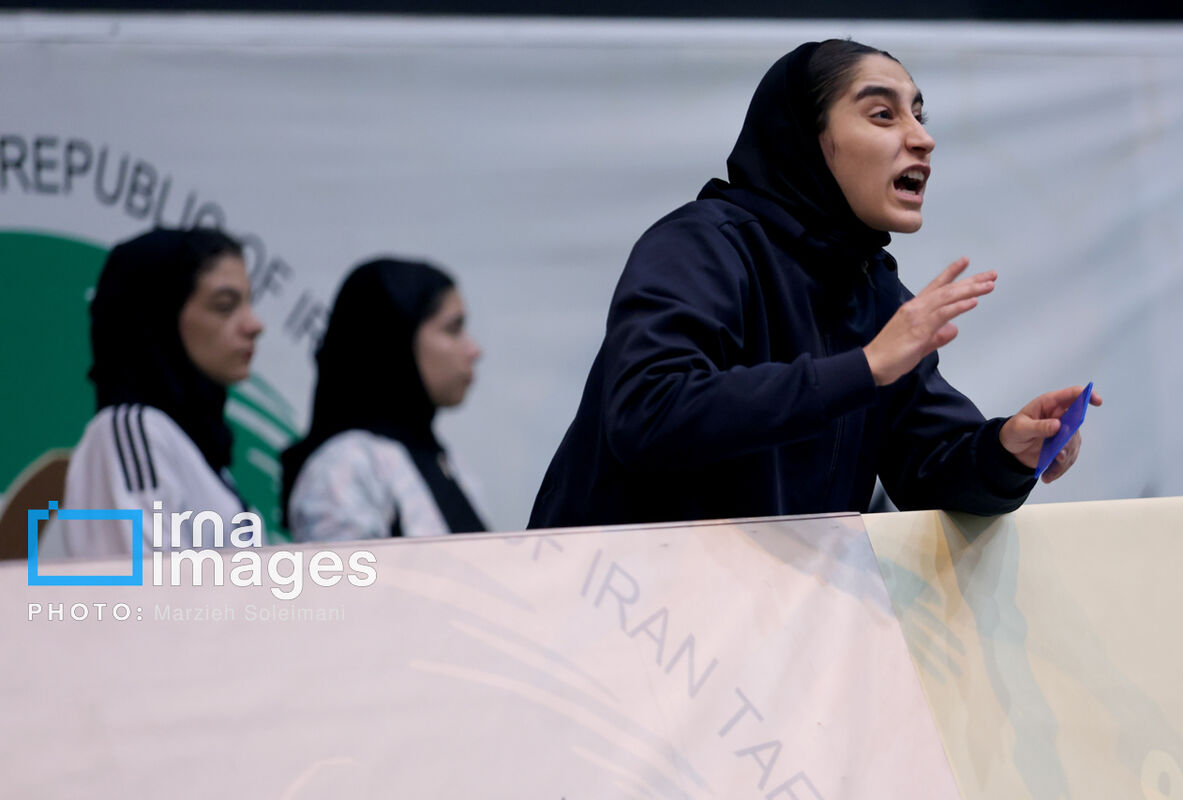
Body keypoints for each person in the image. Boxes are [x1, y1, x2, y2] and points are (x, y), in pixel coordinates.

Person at [528, 39, 1100, 530]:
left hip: (775, 612)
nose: (922, 138)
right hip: (615, 606)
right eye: (883, 115)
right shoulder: (702, 243)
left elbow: (928, 471)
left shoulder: (874, 291)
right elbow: (649, 414)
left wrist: (1008, 451)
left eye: (920, 115)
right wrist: (863, 369)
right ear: (806, 135)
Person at [44, 227, 263, 556]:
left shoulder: (192, 446)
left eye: (247, 303)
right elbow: (145, 585)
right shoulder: (131, 430)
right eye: (225, 306)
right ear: (161, 314)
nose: (254, 325)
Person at [280, 259, 487, 541]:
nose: (474, 350)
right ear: (395, 338)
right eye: (453, 329)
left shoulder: (445, 462)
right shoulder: (343, 469)